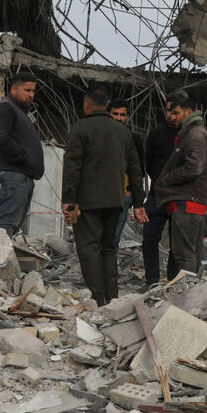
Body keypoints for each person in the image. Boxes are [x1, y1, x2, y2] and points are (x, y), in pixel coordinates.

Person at [61, 86, 146, 305]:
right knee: (108, 248)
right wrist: (138, 202)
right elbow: (135, 169)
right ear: (107, 107)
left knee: (89, 248)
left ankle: (97, 299)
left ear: (86, 104)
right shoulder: (123, 132)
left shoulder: (80, 128)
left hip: (86, 203)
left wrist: (68, 200)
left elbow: (72, 167)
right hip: (116, 202)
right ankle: (112, 298)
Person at [152, 91, 207, 277]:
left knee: (185, 254)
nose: (172, 116)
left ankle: (188, 295)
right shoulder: (193, 133)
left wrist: (166, 179)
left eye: (176, 113)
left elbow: (194, 167)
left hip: (187, 202)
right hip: (192, 201)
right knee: (195, 253)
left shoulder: (194, 134)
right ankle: (198, 294)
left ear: (188, 112)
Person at [0, 78, 44, 237]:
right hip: (13, 175)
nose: (31, 95)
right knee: (7, 225)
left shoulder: (19, 112)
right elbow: (1, 139)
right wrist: (23, 158)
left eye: (33, 91)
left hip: (21, 176)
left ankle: (3, 259)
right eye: (27, 90)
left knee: (12, 227)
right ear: (14, 90)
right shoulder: (5, 108)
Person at [142, 101, 181, 287]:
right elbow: (148, 163)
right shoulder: (157, 134)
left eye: (176, 112)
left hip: (180, 196)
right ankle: (152, 282)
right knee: (149, 237)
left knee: (178, 243)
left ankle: (173, 281)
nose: (172, 116)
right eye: (168, 111)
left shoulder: (190, 135)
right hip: (157, 195)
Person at [107, 99, 146, 250]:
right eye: (114, 114)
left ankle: (108, 272)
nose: (118, 118)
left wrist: (133, 197)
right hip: (100, 195)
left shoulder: (134, 139)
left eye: (122, 115)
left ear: (128, 117)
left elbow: (139, 170)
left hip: (122, 196)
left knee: (113, 239)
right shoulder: (102, 136)